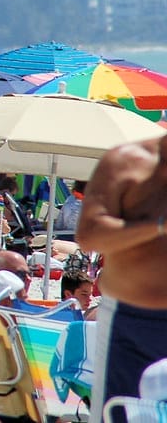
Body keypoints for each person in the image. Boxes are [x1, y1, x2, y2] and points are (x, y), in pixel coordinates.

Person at [76, 135, 167, 422]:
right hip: (129, 323)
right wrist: (159, 225)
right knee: (116, 415)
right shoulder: (126, 161)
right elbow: (89, 233)